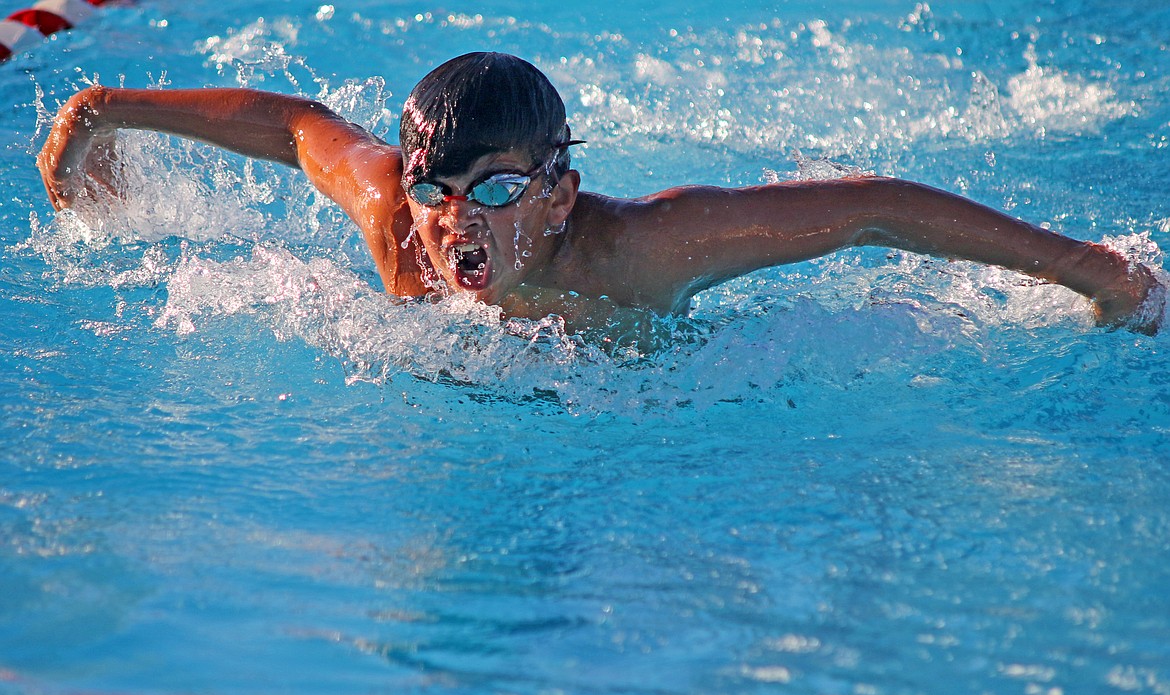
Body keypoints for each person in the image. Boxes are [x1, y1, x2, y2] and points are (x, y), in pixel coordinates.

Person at [36, 51, 1164, 336]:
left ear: (562, 195)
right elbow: (293, 129)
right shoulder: (400, 226)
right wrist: (103, 109)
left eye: (501, 189)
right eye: (437, 190)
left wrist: (1090, 271)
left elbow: (871, 205)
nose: (458, 221)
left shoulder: (642, 252)